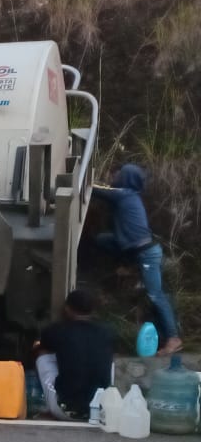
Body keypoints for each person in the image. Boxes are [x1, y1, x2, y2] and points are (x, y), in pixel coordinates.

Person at [91, 163, 183, 355]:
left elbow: (96, 190)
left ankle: (173, 338)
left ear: (126, 178)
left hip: (146, 253)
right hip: (134, 250)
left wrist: (81, 180)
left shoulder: (123, 194)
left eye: (118, 173)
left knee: (155, 294)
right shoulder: (129, 196)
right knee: (103, 240)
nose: (114, 175)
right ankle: (130, 265)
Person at [36, 288, 114, 421]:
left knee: (42, 354)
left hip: (65, 410)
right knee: (108, 360)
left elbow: (43, 346)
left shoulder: (56, 330)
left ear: (67, 308)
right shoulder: (107, 332)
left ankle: (47, 404)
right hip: (100, 411)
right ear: (93, 310)